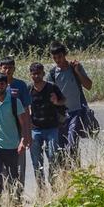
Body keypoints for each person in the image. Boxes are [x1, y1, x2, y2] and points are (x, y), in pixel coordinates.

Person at [0, 73, 30, 206]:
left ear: (6, 85)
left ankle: (15, 205)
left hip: (11, 147)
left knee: (13, 178)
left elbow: (23, 123)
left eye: (2, 84)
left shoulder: (15, 102)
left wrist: (22, 141)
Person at [46, 41, 93, 168]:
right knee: (61, 147)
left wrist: (77, 71)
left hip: (76, 112)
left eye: (60, 57)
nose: (57, 60)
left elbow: (88, 85)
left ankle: (76, 171)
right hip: (61, 115)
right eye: (54, 58)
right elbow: (50, 95)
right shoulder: (52, 74)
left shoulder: (75, 67)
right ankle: (66, 173)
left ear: (65, 54)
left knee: (72, 145)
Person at [28, 62, 66, 193]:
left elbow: (63, 100)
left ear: (43, 73)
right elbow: (23, 108)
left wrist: (56, 101)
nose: (36, 76)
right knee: (36, 161)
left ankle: (54, 182)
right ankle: (41, 188)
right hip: (35, 130)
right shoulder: (29, 90)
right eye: (34, 74)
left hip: (51, 128)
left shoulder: (52, 87)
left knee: (53, 157)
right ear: (30, 75)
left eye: (39, 73)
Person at [0, 56, 32, 189]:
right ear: (0, 68)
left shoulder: (20, 85)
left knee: (18, 167)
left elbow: (26, 110)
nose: (7, 71)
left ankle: (18, 196)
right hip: (1, 132)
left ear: (14, 69)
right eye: (4, 68)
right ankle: (7, 197)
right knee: (3, 170)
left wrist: (28, 134)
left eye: (10, 68)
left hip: (18, 132)